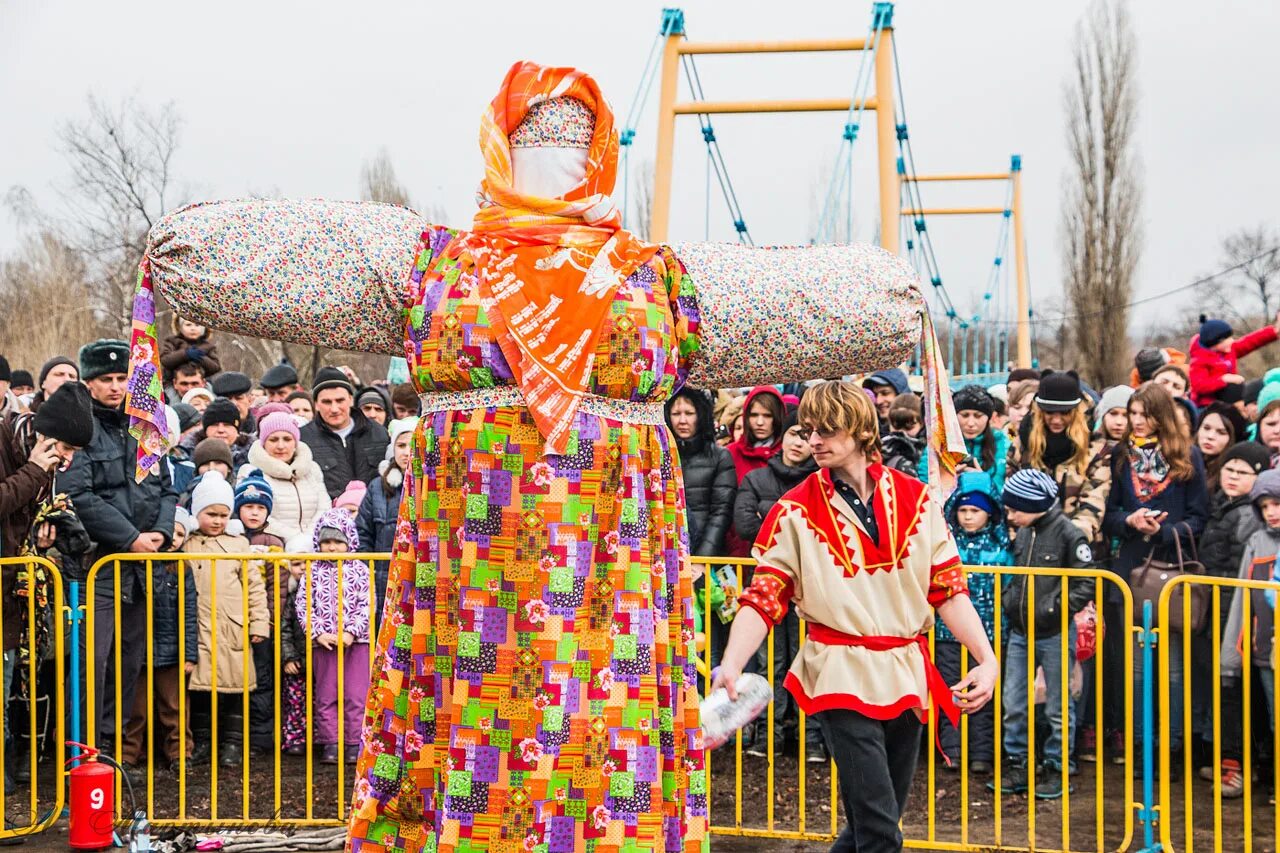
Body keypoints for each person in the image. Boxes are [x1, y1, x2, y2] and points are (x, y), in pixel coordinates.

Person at [140, 61, 940, 850]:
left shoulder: (437, 268)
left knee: (472, 716)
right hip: (602, 571)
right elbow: (795, 297)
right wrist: (899, 301)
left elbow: (305, 252)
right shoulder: (650, 282)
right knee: (602, 717)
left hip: (483, 572)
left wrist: (174, 252)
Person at [715, 380, 997, 851]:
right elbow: (764, 596)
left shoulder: (919, 499)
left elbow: (948, 589)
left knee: (871, 827)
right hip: (837, 670)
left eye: (828, 430)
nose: (815, 441)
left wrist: (985, 659)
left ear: (861, 430)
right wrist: (732, 663)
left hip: (905, 669)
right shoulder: (793, 509)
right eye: (809, 430)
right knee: (882, 832)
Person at [62, 339, 178, 751]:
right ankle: (82, 753)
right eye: (105, 379)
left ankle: (113, 751)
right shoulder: (79, 429)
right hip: (100, 566)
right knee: (92, 663)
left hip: (143, 567)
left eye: (122, 378)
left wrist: (161, 533)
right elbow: (78, 494)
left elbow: (166, 486)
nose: (115, 386)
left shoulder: (144, 425)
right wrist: (130, 538)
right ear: (88, 383)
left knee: (129, 663)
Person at [1104, 382, 1209, 772]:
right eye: (1132, 415)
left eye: (1144, 415)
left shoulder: (1188, 459)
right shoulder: (1121, 457)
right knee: (1133, 669)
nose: (1136, 422)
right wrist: (1130, 520)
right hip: (1131, 570)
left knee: (1174, 670)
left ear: (1161, 417)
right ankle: (1138, 745)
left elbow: (1200, 516)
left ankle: (1173, 746)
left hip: (1172, 573)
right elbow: (1109, 515)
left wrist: (1165, 531)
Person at [0, 380, 92, 788]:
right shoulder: (10, 446)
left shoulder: (40, 461)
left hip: (10, 589)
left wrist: (47, 526)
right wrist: (35, 471)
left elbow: (20, 515)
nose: (67, 460)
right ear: (43, 435)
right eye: (64, 449)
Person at [991, 469, 1094, 799]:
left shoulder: (1068, 534)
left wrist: (1054, 608)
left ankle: (1057, 765)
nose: (1010, 515)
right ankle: (1017, 761)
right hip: (1020, 631)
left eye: (1014, 509)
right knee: (1014, 701)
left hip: (1053, 631)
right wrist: (1010, 600)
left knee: (1058, 705)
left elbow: (1085, 583)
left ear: (1034, 504)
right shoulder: (1023, 531)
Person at [732, 411, 821, 760]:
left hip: (810, 585)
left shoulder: (820, 482)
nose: (800, 442)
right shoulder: (756, 479)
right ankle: (768, 736)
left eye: (806, 435)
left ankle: (811, 738)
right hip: (771, 581)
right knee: (771, 660)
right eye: (794, 433)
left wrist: (770, 524)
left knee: (808, 659)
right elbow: (744, 525)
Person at [1194, 442, 1268, 793]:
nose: (1234, 477)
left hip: (1238, 616)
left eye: (1243, 472)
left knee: (1237, 692)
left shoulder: (1249, 516)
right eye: (1229, 469)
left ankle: (1239, 767)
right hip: (1218, 611)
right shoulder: (1221, 507)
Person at [184, 471, 269, 766]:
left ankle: (232, 744)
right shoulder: (187, 545)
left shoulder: (239, 545)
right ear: (198, 513)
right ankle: (204, 742)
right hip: (199, 627)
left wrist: (259, 622)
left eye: (223, 514)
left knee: (236, 689)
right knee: (200, 690)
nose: (218, 520)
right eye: (211, 514)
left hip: (234, 627)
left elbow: (255, 586)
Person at [938, 471, 1012, 774]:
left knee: (983, 691)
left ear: (989, 512)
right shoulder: (945, 541)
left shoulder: (1003, 545)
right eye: (963, 510)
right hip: (946, 632)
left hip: (991, 629)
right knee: (950, 688)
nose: (968, 517)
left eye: (975, 511)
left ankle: (982, 752)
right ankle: (951, 749)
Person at [120, 507, 198, 774]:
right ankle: (128, 755)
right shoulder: (132, 563)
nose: (173, 539)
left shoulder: (181, 568)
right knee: (134, 707)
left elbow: (189, 612)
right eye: (169, 532)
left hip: (171, 649)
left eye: (179, 534)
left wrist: (189, 652)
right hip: (137, 648)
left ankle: (180, 754)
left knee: (174, 707)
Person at [1218, 468, 1280, 798]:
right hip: (1266, 653)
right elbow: (1242, 601)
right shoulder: (1256, 542)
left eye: (1277, 504)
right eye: (1265, 506)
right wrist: (1230, 656)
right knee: (1275, 719)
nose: (1271, 512)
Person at [295, 508, 370, 764]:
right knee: (327, 695)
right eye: (326, 542)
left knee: (355, 695)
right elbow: (303, 604)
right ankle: (330, 742)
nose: (332, 547)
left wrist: (351, 632)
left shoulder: (360, 569)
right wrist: (317, 633)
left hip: (356, 643)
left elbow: (367, 604)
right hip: (323, 643)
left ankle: (353, 742)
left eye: (338, 541)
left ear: (349, 542)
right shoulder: (312, 570)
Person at [356, 417, 416, 626]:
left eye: (413, 444)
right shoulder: (376, 488)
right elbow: (362, 533)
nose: (407, 451)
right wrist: (368, 572)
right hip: (382, 580)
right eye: (401, 445)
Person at [664, 387, 735, 557]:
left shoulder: (720, 457)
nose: (682, 421)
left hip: (705, 557)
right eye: (676, 414)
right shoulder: (660, 455)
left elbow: (721, 513)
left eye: (689, 413)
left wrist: (702, 560)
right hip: (667, 552)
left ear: (700, 416)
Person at [300, 368, 389, 500]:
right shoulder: (304, 438)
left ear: (351, 400)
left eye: (340, 400)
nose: (334, 409)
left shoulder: (378, 433)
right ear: (316, 405)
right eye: (327, 402)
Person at [245, 411, 331, 542]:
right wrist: (296, 539)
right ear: (263, 443)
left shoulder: (312, 469)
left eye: (287, 439)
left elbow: (324, 507)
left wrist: (309, 538)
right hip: (275, 546)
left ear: (295, 443)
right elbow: (258, 515)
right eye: (273, 440)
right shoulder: (251, 472)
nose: (281, 446)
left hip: (314, 544)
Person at [725, 386, 786, 557]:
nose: (760, 422)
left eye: (767, 416)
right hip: (736, 549)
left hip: (778, 549)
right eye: (754, 415)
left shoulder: (789, 456)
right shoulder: (730, 453)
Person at [1188, 313, 1280, 407]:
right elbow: (1199, 385)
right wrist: (1223, 379)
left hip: (1229, 400)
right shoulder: (1199, 361)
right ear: (1214, 343)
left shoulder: (1228, 351)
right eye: (1227, 339)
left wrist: (1273, 332)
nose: (1231, 341)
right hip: (1207, 405)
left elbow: (1250, 342)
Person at [947, 385, 1010, 493]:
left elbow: (1002, 492)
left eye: (978, 416)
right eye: (965, 415)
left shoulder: (1002, 444)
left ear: (989, 418)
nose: (971, 423)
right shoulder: (942, 443)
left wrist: (981, 480)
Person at [186, 398, 253, 470]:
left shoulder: (252, 458)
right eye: (215, 425)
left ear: (237, 431)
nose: (221, 430)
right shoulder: (187, 458)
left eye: (227, 425)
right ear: (205, 430)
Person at [1195, 402, 1247, 493]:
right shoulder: (1181, 462)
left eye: (1221, 432)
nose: (1210, 436)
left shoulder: (1231, 477)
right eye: (1206, 428)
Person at [160, 316, 222, 384]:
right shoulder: (172, 341)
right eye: (188, 325)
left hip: (201, 383)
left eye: (197, 325)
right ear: (180, 327)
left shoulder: (208, 346)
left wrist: (201, 357)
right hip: (173, 383)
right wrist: (186, 354)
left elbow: (215, 367)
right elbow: (165, 360)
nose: (193, 328)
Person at [881, 393, 925, 476]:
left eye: (909, 426)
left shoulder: (929, 452)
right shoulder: (880, 452)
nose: (902, 432)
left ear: (922, 424)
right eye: (896, 426)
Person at [862, 368, 909, 433]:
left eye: (885, 393)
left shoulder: (923, 430)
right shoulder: (868, 431)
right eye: (875, 395)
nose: (878, 401)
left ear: (900, 394)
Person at [211, 371, 257, 436]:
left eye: (238, 398)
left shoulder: (260, 429)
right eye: (228, 399)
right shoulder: (212, 432)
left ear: (249, 400)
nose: (234, 404)